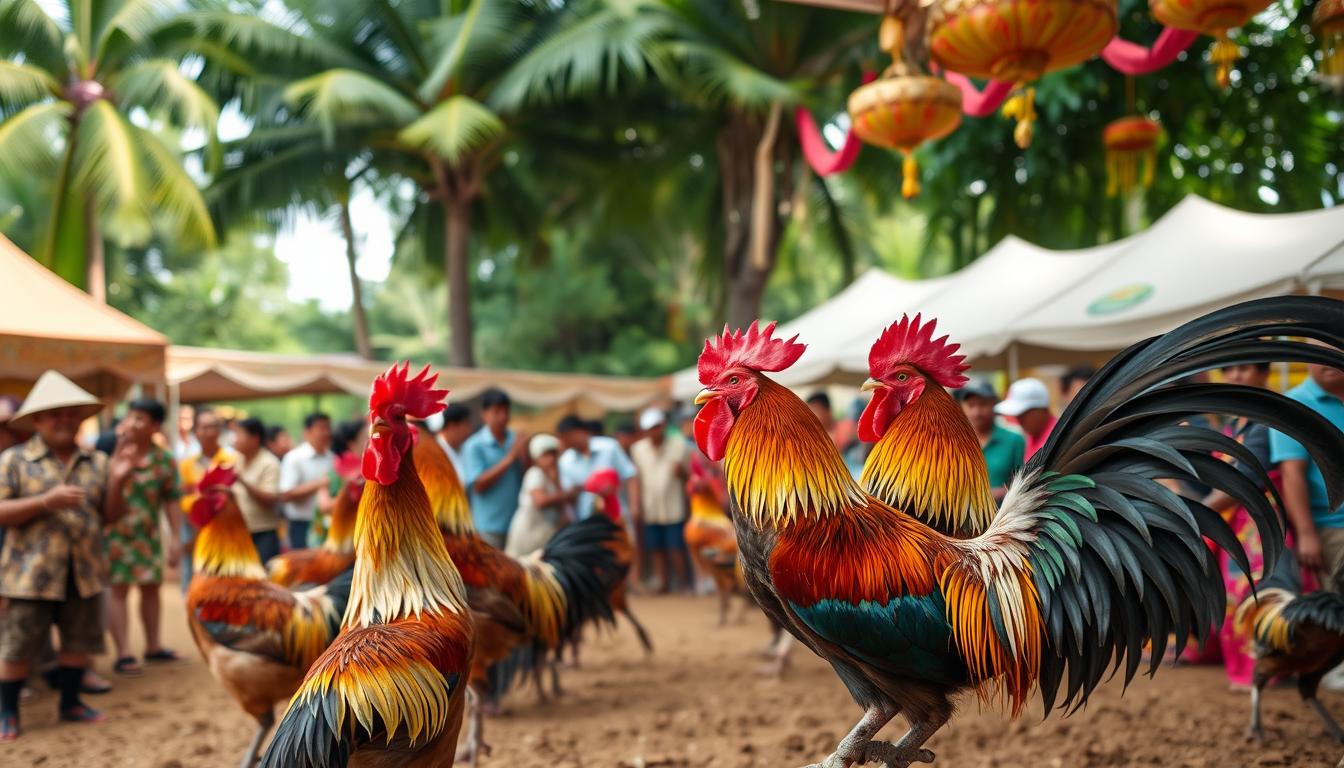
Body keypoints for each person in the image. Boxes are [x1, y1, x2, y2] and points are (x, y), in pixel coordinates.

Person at [0, 371, 133, 741]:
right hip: (29, 574)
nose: (65, 419)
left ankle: (71, 703)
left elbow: (112, 515)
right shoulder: (14, 460)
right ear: (38, 421)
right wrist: (45, 501)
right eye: (55, 413)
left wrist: (119, 480)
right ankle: (7, 712)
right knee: (17, 645)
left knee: (78, 643)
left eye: (72, 413)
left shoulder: (98, 462)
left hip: (85, 571)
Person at [104, 399, 183, 677]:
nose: (132, 423)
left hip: (147, 536)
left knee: (151, 588)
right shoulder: (109, 451)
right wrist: (116, 454)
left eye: (140, 418)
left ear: (155, 426)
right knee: (118, 590)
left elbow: (172, 500)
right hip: (113, 535)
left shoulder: (164, 459)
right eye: (131, 417)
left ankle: (153, 646)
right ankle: (124, 652)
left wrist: (175, 538)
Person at [1270, 351, 1344, 585]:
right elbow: (1292, 474)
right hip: (1332, 531)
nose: (1327, 360)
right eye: (1318, 353)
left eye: (1335, 349)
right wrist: (1306, 533)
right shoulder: (1292, 406)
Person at [630, 408, 689, 594]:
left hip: (673, 505)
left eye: (656, 427)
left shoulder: (679, 444)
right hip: (650, 507)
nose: (653, 432)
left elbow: (688, 475)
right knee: (655, 548)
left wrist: (681, 473)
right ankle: (662, 584)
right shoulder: (637, 449)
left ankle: (682, 584)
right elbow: (636, 479)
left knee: (676, 547)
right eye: (650, 428)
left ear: (663, 426)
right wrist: (636, 504)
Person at [177, 408, 235, 591]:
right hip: (193, 524)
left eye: (213, 427)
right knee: (193, 568)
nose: (208, 432)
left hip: (223, 524)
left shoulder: (231, 460)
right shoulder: (187, 464)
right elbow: (182, 495)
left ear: (219, 431)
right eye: (204, 427)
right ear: (196, 432)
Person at [462, 389, 528, 549]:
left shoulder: (515, 440)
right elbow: (478, 485)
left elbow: (526, 477)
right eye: (497, 411)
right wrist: (510, 458)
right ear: (484, 414)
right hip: (487, 527)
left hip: (517, 526)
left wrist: (524, 455)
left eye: (506, 411)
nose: (503, 416)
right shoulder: (474, 445)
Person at [558, 415, 640, 524]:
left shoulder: (609, 447)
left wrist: (634, 506)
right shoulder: (565, 461)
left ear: (577, 432)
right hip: (586, 521)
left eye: (564, 437)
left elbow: (630, 475)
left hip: (617, 517)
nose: (562, 442)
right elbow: (568, 494)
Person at [955, 379, 1026, 503]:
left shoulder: (1014, 440)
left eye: (983, 404)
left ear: (994, 404)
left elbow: (1024, 482)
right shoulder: (954, 441)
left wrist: (1002, 492)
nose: (976, 412)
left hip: (1004, 517)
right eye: (971, 405)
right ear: (962, 407)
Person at [505, 435, 571, 557]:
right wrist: (567, 495)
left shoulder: (554, 477)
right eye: (546, 455)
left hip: (543, 536)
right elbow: (540, 501)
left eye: (553, 455)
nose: (551, 459)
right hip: (528, 535)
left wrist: (557, 482)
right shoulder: (535, 474)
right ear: (536, 458)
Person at [230, 418, 283, 563]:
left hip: (263, 533)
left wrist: (242, 481)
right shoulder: (237, 459)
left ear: (254, 439)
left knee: (262, 579)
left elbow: (269, 500)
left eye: (239, 435)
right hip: (240, 532)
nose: (236, 440)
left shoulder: (269, 463)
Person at [279, 413, 334, 550]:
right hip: (301, 525)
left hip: (328, 525)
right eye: (321, 428)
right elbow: (286, 494)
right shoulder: (294, 458)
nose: (326, 432)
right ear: (307, 432)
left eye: (328, 428)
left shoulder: (332, 458)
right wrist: (319, 484)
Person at [312, 420, 367, 544]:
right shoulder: (333, 472)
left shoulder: (368, 471)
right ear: (352, 444)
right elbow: (324, 505)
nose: (371, 441)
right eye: (366, 438)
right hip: (336, 539)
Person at [994, 377, 1057, 460]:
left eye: (1023, 414)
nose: (1019, 420)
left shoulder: (1056, 437)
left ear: (1041, 409)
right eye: (1017, 415)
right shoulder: (1033, 436)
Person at [435, 404, 472, 482]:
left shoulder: (463, 447)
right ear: (452, 426)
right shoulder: (434, 452)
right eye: (466, 424)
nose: (469, 430)